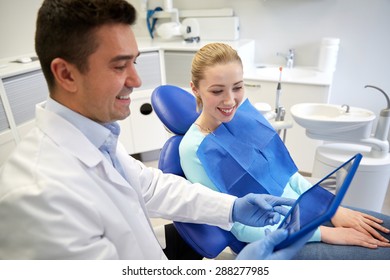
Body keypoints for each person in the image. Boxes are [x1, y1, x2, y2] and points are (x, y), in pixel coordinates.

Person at [0, 0, 311, 260]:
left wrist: (232, 207)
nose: (136, 81)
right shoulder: (40, 198)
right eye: (120, 66)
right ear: (66, 74)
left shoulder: (95, 137)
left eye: (134, 62)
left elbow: (149, 186)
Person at [179, 42, 390, 259]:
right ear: (195, 88)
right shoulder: (194, 149)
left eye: (238, 87)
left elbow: (288, 176)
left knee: (385, 228)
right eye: (217, 90)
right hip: (273, 239)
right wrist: (323, 233)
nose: (230, 100)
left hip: (307, 212)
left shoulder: (243, 116)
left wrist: (330, 208)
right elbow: (238, 225)